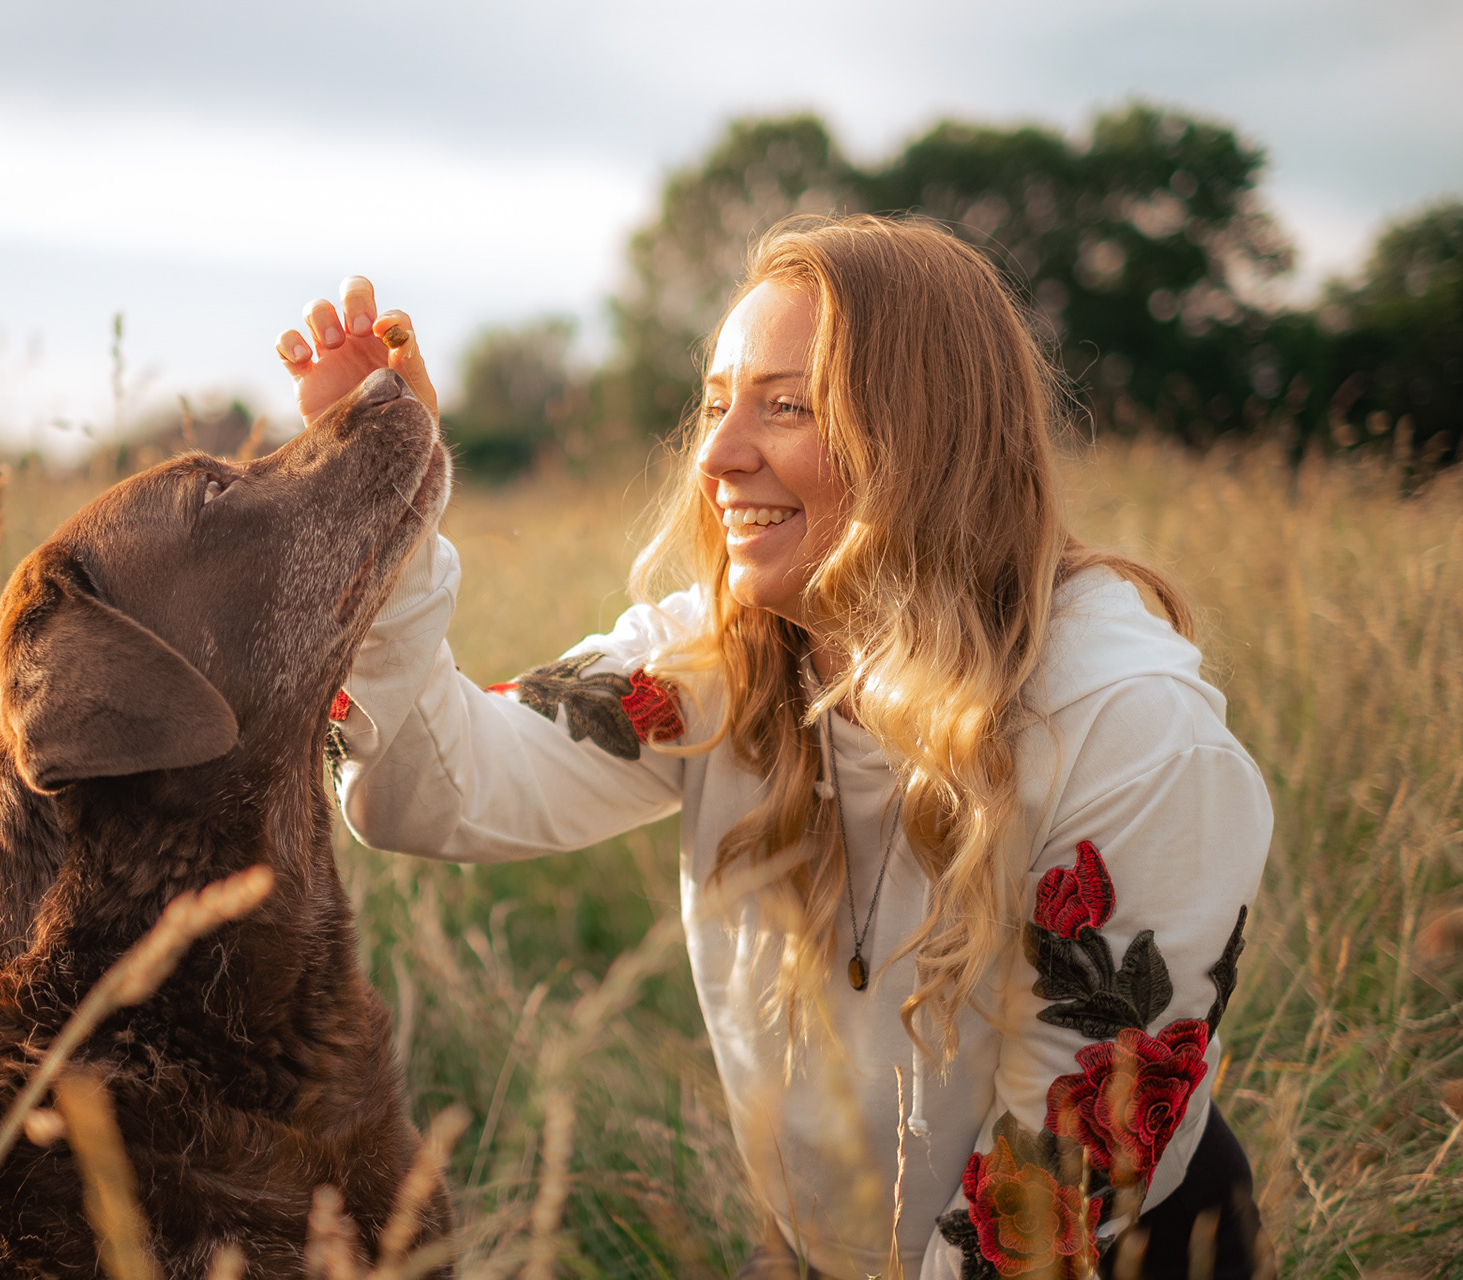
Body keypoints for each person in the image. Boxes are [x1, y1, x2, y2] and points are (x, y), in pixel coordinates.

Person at [274, 215, 1272, 1280]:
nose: (715, 454)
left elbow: (1042, 1222)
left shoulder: (1136, 735)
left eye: (786, 405)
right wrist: (387, 515)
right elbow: (426, 792)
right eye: (714, 404)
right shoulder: (717, 662)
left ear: (923, 434)